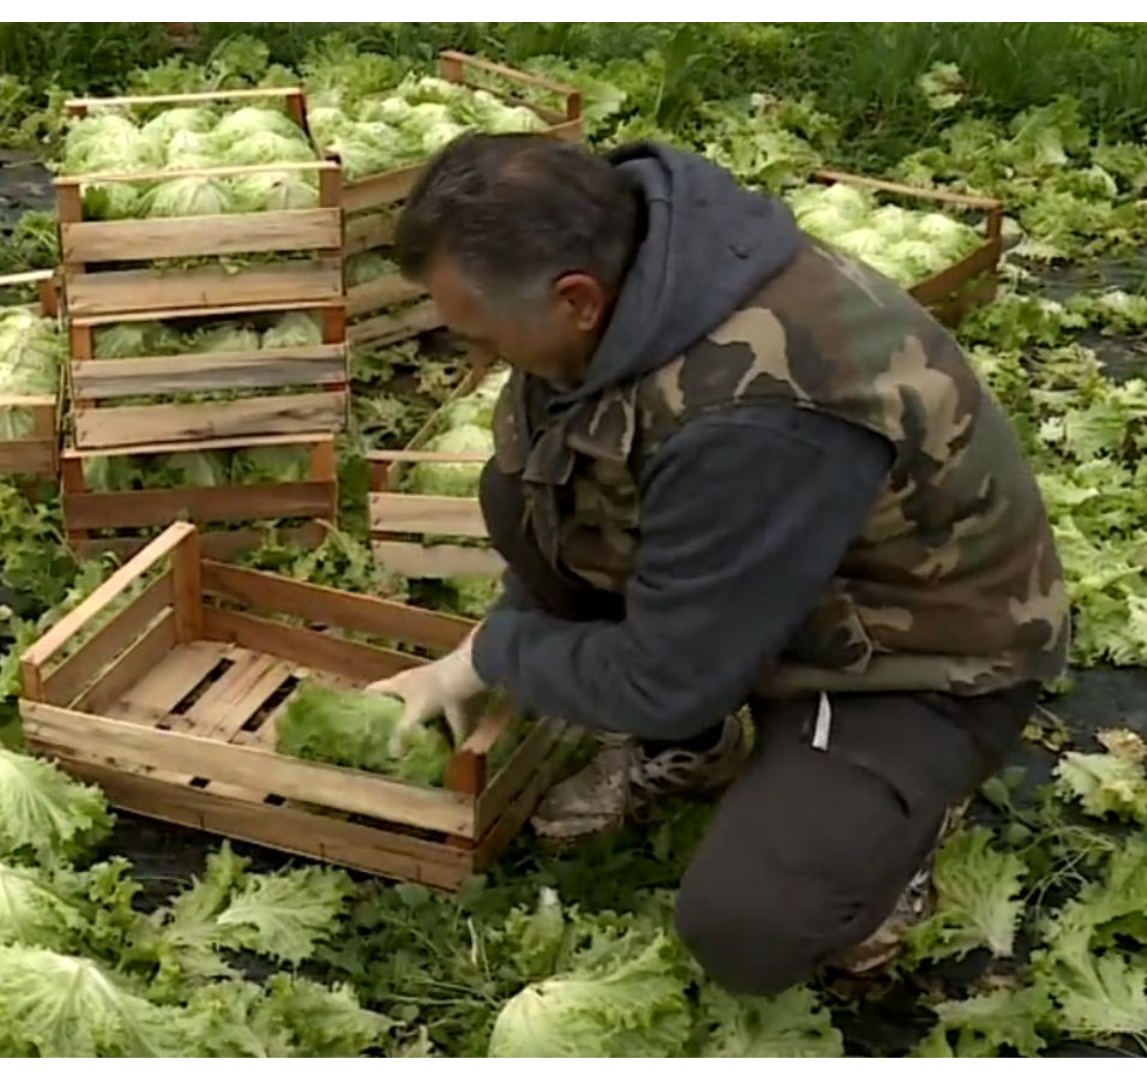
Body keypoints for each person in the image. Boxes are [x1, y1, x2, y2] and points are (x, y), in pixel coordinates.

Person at [364, 133, 1070, 997]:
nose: (469, 354)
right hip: (778, 570)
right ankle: (698, 747)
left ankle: (902, 825)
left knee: (748, 927)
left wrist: (495, 653)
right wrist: (517, 632)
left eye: (477, 330)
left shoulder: (753, 413)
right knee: (519, 494)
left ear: (575, 299)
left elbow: (667, 677)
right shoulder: (638, 275)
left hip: (916, 652)